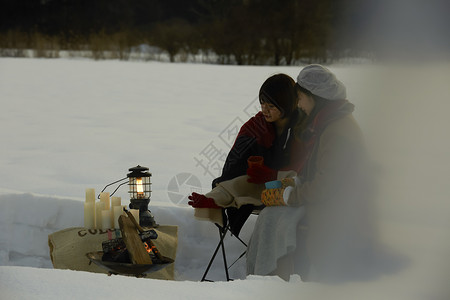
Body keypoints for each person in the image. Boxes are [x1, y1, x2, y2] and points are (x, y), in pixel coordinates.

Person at [247, 64, 377, 282]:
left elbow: (324, 187)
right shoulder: (327, 122)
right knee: (271, 215)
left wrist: (289, 196)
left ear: (315, 97)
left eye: (300, 98)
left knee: (273, 219)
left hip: (342, 211)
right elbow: (321, 173)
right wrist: (293, 183)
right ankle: (269, 278)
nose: (298, 104)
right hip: (332, 201)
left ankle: (274, 282)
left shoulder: (338, 131)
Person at [188, 73, 304, 235]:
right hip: (260, 187)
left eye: (271, 106)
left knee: (290, 183)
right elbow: (233, 166)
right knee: (240, 180)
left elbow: (304, 167)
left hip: (294, 188)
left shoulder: (302, 128)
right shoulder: (254, 127)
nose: (265, 110)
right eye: (262, 104)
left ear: (285, 105)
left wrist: (272, 175)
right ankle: (214, 199)